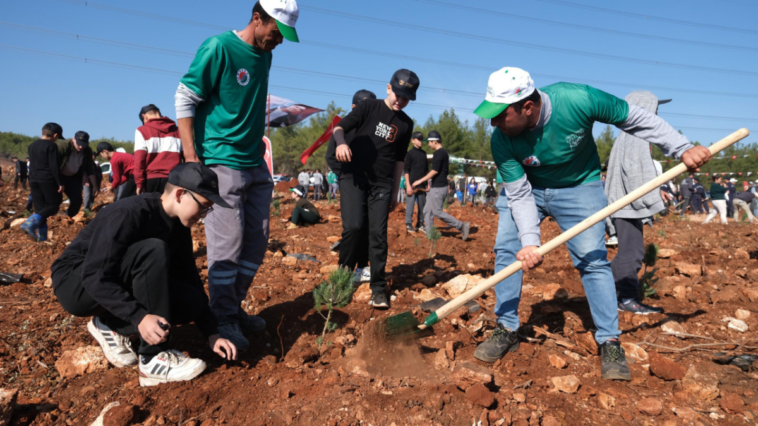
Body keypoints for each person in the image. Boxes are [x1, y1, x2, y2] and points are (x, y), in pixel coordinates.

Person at [472, 67, 711, 380]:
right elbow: (518, 195)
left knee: (592, 260)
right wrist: (530, 240)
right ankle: (505, 328)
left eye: (500, 115)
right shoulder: (501, 140)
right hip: (529, 189)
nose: (493, 123)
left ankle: (609, 340)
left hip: (579, 188)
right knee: (507, 250)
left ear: (527, 107)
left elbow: (636, 117)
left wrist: (680, 147)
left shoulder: (579, 99)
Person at [174, 0, 299, 350]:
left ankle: (231, 307)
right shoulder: (218, 48)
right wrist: (192, 159)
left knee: (257, 241)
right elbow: (184, 99)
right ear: (257, 19)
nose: (279, 41)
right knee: (226, 245)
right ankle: (222, 318)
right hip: (220, 159)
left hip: (254, 160)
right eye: (276, 33)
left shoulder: (266, 55)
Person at [51, 163, 237, 387]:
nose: (204, 215)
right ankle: (152, 359)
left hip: (108, 279)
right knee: (153, 249)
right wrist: (139, 316)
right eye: (204, 206)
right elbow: (94, 274)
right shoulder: (129, 213)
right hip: (76, 284)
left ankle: (110, 322)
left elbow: (189, 277)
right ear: (180, 194)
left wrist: (212, 332)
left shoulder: (179, 226)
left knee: (192, 301)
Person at [332, 69, 419, 309]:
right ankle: (341, 280)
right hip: (353, 177)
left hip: (382, 184)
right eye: (398, 95)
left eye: (407, 98)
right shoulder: (369, 107)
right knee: (353, 228)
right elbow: (339, 127)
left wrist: (395, 191)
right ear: (388, 88)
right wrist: (340, 144)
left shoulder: (406, 123)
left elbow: (400, 159)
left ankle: (378, 288)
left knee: (378, 236)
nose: (401, 101)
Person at [605, 91, 681, 315]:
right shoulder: (636, 136)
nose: (657, 112)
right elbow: (636, 172)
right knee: (633, 252)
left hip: (624, 203)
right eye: (655, 107)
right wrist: (653, 199)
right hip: (626, 205)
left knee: (630, 251)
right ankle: (626, 299)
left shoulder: (629, 134)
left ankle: (609, 292)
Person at [325, 89, 379, 285]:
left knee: (368, 227)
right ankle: (344, 271)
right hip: (351, 180)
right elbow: (331, 156)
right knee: (354, 226)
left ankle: (363, 267)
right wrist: (346, 174)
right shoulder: (344, 127)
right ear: (354, 107)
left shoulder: (376, 129)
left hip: (373, 183)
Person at [415, 130, 470, 240]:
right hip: (435, 187)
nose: (428, 144)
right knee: (427, 210)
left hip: (438, 188)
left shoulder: (440, 153)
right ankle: (430, 234)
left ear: (435, 141)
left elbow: (435, 171)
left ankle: (461, 226)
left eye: (429, 142)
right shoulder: (439, 153)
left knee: (437, 212)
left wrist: (420, 181)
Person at [20, 123, 65, 241]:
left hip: (34, 179)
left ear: (42, 132)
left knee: (40, 210)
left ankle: (42, 238)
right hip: (47, 179)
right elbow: (54, 166)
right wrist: (60, 183)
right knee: (53, 205)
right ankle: (29, 224)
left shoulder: (32, 145)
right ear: (55, 135)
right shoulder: (51, 146)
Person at [134, 104, 183, 195]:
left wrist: (139, 183)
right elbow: (187, 157)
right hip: (175, 179)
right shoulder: (177, 131)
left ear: (144, 116)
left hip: (152, 180)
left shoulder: (142, 130)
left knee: (153, 208)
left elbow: (139, 160)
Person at [57, 131, 100, 217]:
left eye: (83, 144)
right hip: (58, 177)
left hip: (72, 178)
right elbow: (53, 164)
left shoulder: (87, 150)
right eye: (79, 144)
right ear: (73, 139)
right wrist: (58, 182)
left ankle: (69, 218)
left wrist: (95, 186)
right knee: (55, 200)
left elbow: (89, 169)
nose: (81, 147)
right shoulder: (62, 146)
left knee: (77, 200)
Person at [404, 131, 428, 233]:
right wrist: (408, 185)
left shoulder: (424, 154)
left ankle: (420, 223)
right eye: (419, 139)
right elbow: (406, 170)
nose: (421, 141)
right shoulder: (409, 154)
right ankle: (408, 223)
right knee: (410, 205)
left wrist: (428, 183)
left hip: (422, 185)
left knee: (422, 205)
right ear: (413, 140)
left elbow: (426, 170)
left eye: (422, 139)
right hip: (412, 185)